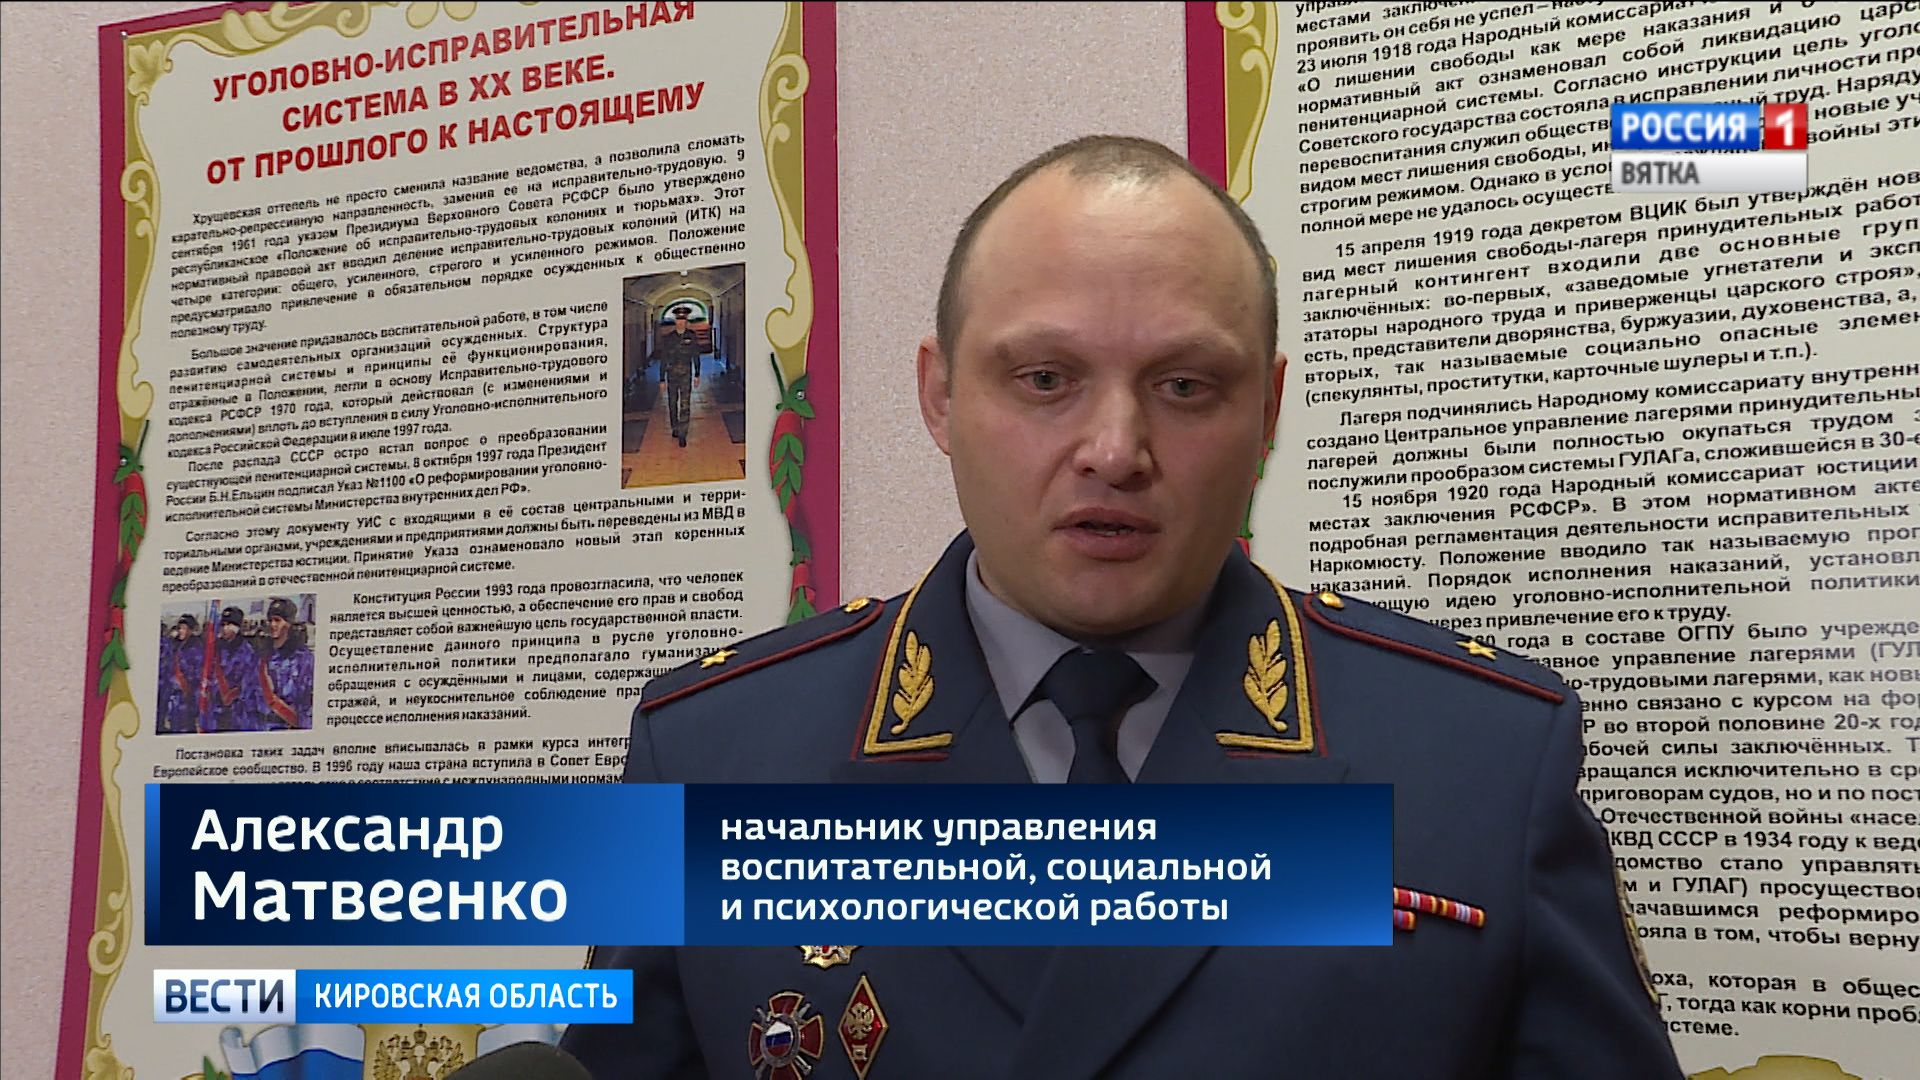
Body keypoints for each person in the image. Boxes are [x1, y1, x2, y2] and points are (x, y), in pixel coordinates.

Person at [565, 136, 1683, 1078]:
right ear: (939, 396)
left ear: (1268, 412)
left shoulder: (1483, 763)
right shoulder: (710, 756)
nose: (1115, 450)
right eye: (1045, 380)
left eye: (1186, 385)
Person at [255, 597, 313, 730]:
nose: (272, 625)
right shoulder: (262, 658)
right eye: (270, 620)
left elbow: (306, 705)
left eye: (277, 620)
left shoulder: (303, 659)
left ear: (289, 624)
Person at [202, 606, 259, 732]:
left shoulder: (247, 652)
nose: (225, 628)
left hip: (237, 714)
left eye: (229, 625)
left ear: (238, 627)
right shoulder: (216, 649)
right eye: (223, 625)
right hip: (215, 713)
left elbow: (249, 687)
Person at [657, 306, 703, 447]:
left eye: (683, 320)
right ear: (675, 321)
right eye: (678, 319)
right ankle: (675, 427)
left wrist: (697, 374)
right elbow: (663, 358)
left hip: (685, 374)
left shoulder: (691, 336)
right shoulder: (669, 338)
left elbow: (696, 355)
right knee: (672, 403)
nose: (681, 322)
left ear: (686, 321)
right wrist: (661, 379)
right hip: (671, 374)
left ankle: (683, 434)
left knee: (685, 404)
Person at [156, 614, 204, 735]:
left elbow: (198, 674)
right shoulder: (174, 645)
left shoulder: (196, 648)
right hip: (171, 697)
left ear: (191, 630)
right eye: (180, 628)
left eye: (184, 628)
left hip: (187, 697)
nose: (181, 631)